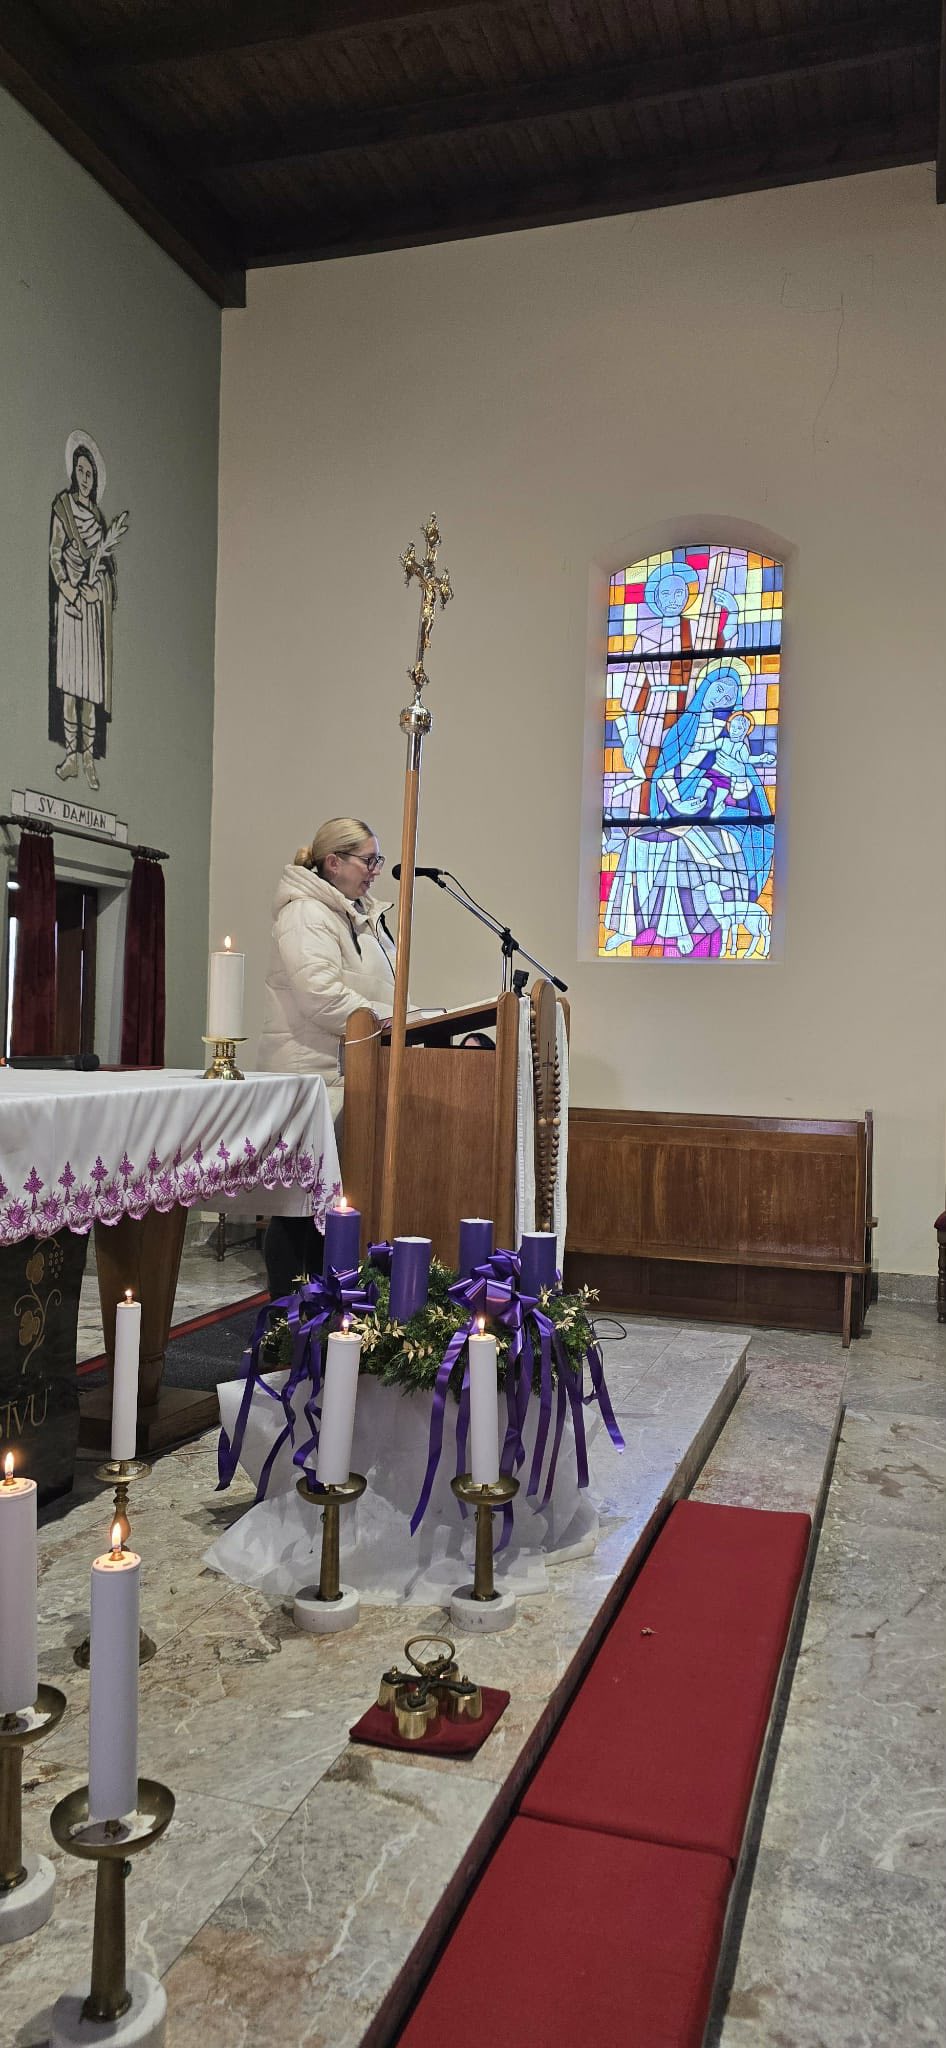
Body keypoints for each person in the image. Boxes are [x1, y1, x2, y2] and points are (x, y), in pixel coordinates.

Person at [256, 817, 396, 1299]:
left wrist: (406, 1017)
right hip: (312, 1074)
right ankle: (287, 1313)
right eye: (368, 860)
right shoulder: (305, 914)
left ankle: (323, 1307)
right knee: (300, 1208)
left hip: (347, 1073)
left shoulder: (360, 917)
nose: (375, 870)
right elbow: (320, 995)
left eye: (377, 860)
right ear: (333, 862)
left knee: (328, 1206)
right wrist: (392, 1020)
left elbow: (375, 991)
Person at [48, 439, 128, 790]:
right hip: (71, 608)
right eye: (80, 471)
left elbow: (107, 569)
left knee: (90, 692)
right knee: (70, 686)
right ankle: (71, 756)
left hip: (91, 610)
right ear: (73, 473)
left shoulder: (97, 519)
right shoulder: (64, 508)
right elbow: (55, 553)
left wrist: (99, 591)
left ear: (95, 479)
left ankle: (88, 758)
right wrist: (66, 587)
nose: (84, 478)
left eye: (90, 473)